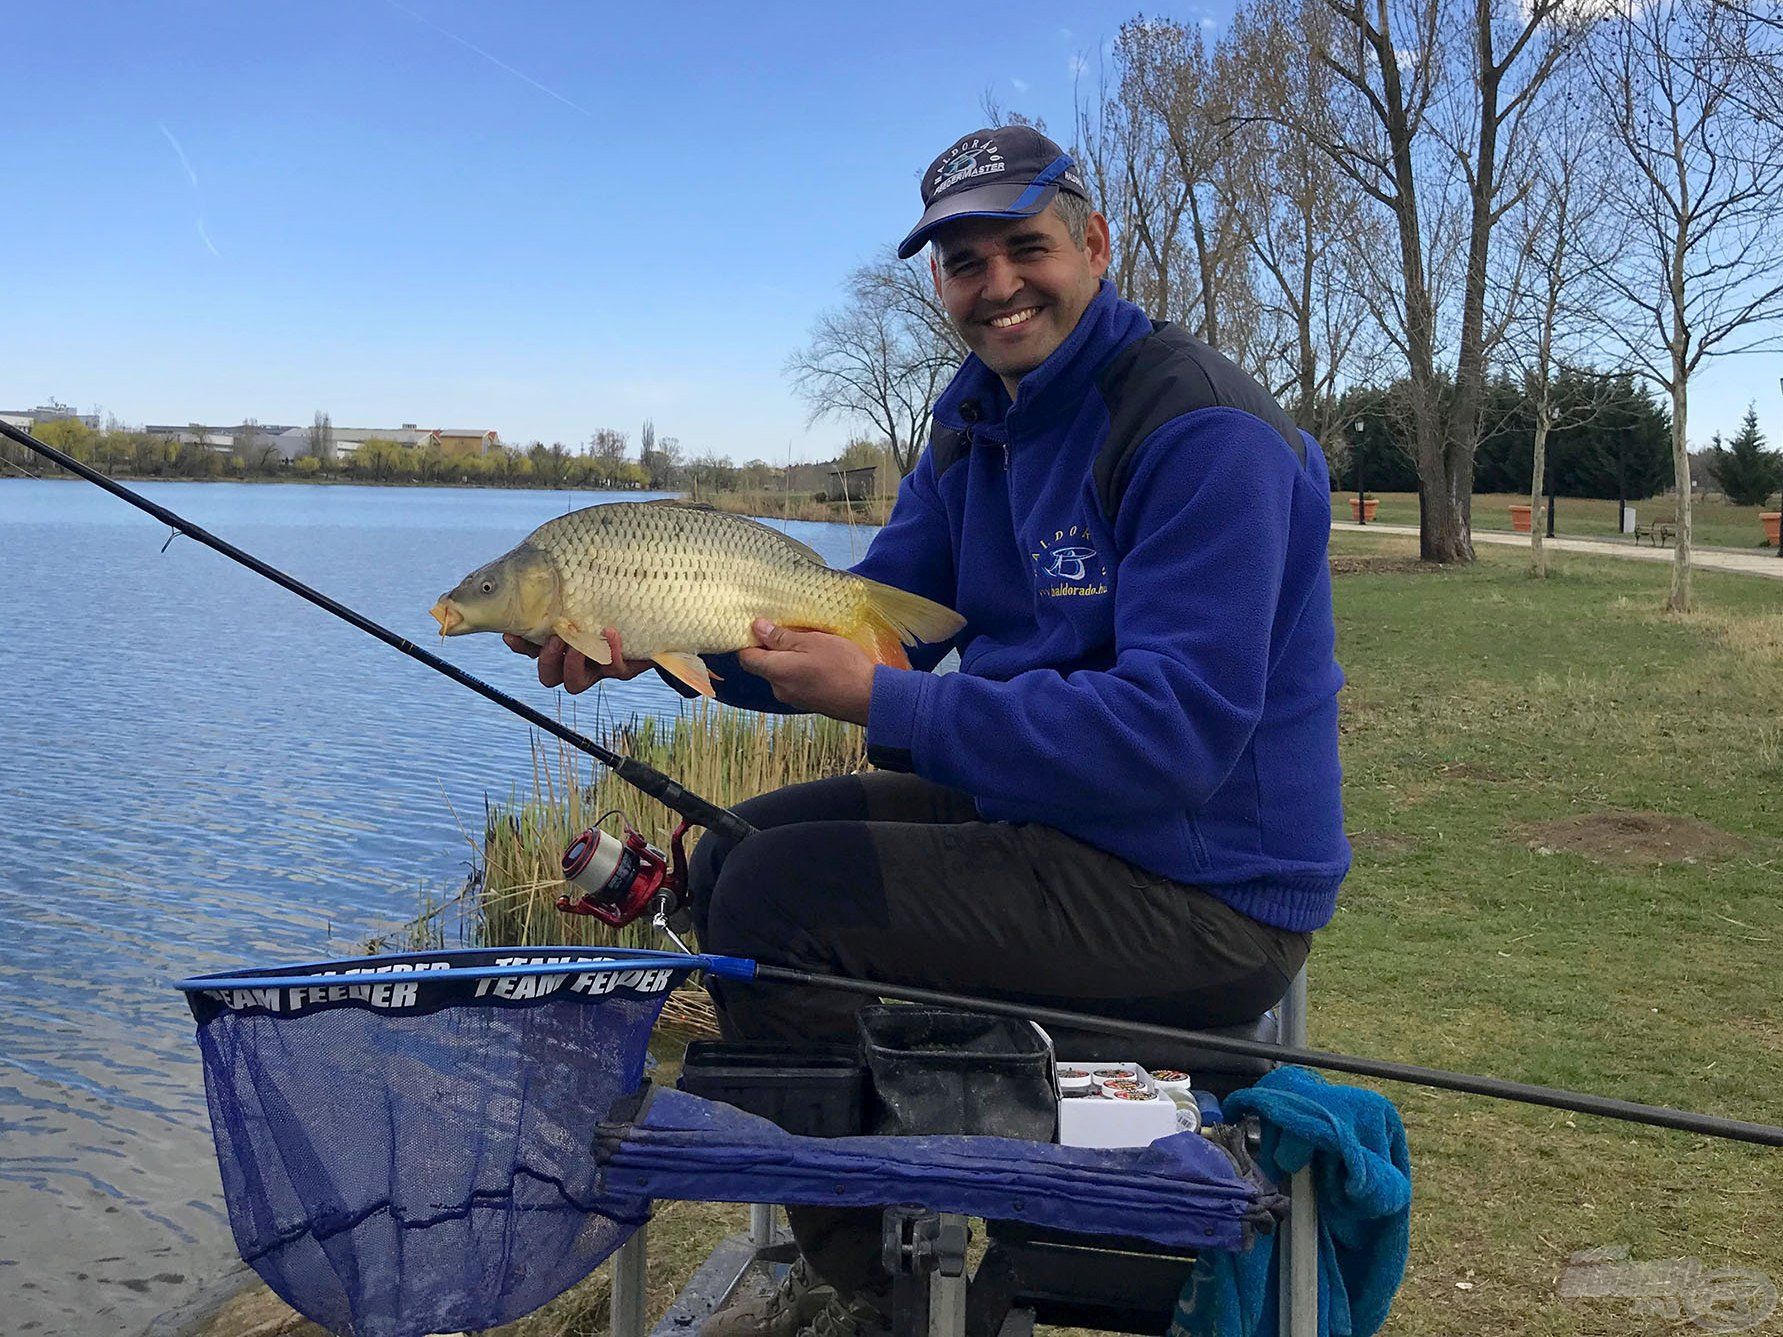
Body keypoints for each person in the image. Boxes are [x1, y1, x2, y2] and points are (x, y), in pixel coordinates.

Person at [509, 125, 1349, 1337]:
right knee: (740, 851)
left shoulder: (1197, 427)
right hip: (1052, 822)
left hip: (1208, 890)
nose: (998, 284)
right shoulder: (974, 419)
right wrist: (660, 633)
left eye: (1026, 247)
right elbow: (856, 632)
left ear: (1094, 246)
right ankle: (895, 1238)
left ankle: (905, 1292)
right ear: (939, 284)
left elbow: (1173, 737)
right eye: (965, 261)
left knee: (783, 905)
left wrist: (887, 702)